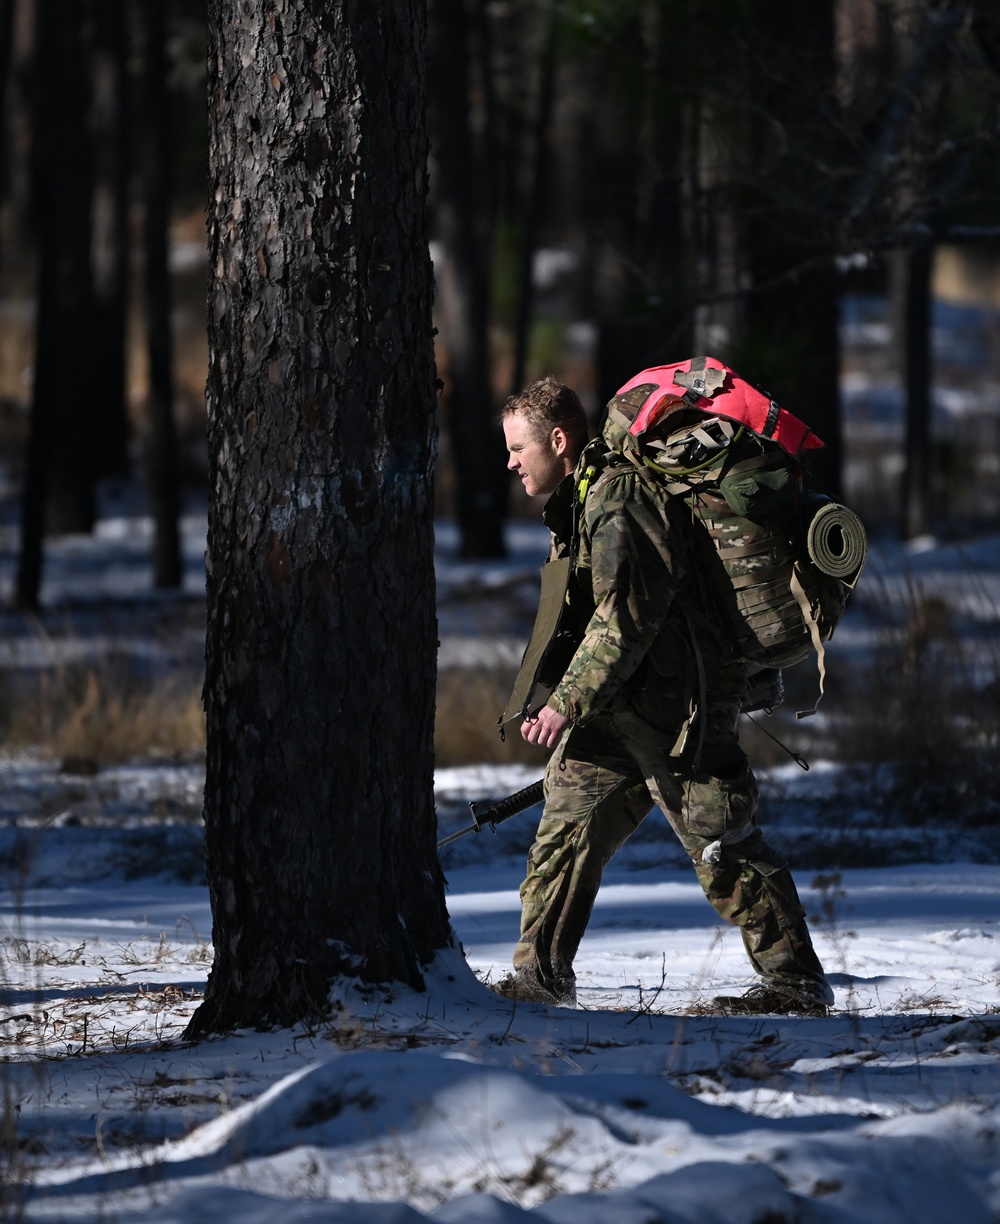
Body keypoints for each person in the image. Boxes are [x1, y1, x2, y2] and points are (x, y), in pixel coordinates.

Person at [495, 375, 833, 1016]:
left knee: (719, 842)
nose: (510, 462)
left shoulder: (617, 496)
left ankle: (795, 984)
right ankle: (538, 978)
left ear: (558, 440)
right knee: (566, 831)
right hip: (626, 701)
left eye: (518, 448)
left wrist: (566, 700)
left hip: (680, 703)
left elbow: (626, 615)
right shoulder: (586, 496)